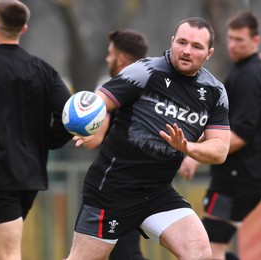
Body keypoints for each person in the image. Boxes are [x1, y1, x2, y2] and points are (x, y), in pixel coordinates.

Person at [65, 17, 231, 260]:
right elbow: (99, 102)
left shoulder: (215, 93)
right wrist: (87, 123)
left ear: (209, 53)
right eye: (182, 42)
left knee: (199, 252)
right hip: (112, 190)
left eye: (196, 46)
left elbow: (219, 150)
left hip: (157, 192)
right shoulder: (145, 71)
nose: (186, 51)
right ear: (172, 42)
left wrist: (187, 147)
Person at [0, 0, 72, 259]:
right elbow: (70, 115)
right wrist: (48, 141)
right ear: (24, 29)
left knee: (6, 255)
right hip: (28, 178)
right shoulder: (45, 71)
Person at [179, 10, 261, 260]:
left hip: (238, 177)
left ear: (255, 40)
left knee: (209, 247)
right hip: (237, 176)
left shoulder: (252, 75)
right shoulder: (242, 70)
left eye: (239, 40)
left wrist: (193, 154)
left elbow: (241, 134)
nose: (232, 45)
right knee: (208, 245)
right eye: (230, 38)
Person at [86, 28, 150, 260]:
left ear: (121, 59)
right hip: (149, 184)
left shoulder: (118, 91)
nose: (107, 59)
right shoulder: (157, 88)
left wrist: (82, 125)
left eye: (110, 54)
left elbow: (93, 141)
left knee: (125, 253)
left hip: (118, 186)